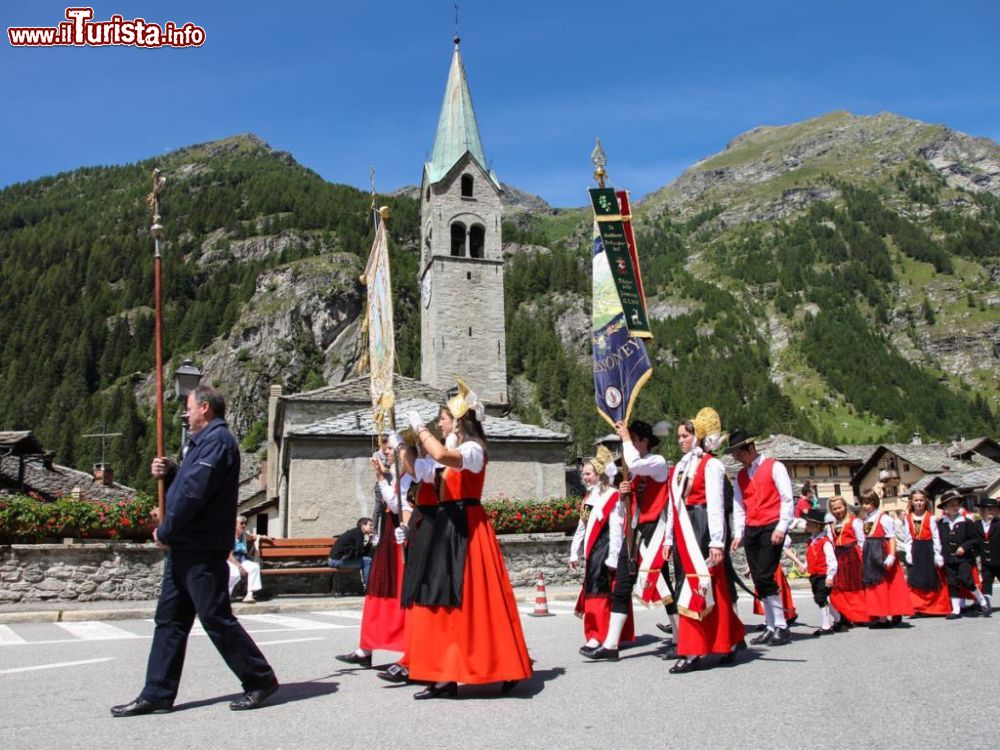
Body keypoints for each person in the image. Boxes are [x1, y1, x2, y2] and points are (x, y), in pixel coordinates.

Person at [111, 385, 278, 717]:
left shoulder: (216, 441)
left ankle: (260, 679)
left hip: (200, 547)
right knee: (169, 620)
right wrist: (170, 471)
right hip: (188, 546)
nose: (185, 415)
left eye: (188, 409)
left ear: (205, 408)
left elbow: (193, 494)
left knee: (215, 617)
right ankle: (157, 693)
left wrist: (166, 530)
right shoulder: (202, 444)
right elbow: (189, 483)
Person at [402, 378, 532, 698]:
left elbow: (443, 456)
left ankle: (501, 664)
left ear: (459, 420)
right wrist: (402, 444)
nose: (440, 421)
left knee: (476, 602)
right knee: (439, 600)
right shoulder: (450, 450)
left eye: (444, 417)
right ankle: (443, 674)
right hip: (447, 526)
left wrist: (420, 428)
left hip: (467, 527)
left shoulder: (473, 450)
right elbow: (418, 469)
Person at [661, 409, 746, 673]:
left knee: (704, 587)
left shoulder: (712, 464)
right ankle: (728, 640)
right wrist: (667, 538)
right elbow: (673, 506)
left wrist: (717, 542)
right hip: (685, 529)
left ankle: (694, 649)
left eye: (685, 435)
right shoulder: (680, 468)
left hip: (704, 527)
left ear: (697, 436)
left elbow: (716, 505)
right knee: (695, 585)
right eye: (678, 436)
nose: (680, 440)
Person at [584, 419, 671, 661]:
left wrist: (624, 437)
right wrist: (625, 494)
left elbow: (634, 463)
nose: (587, 478)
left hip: (651, 531)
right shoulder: (592, 495)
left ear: (643, 441)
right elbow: (586, 523)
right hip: (625, 536)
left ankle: (679, 634)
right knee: (621, 587)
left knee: (661, 584)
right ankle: (609, 643)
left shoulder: (655, 463)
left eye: (589, 474)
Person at [336, 443, 413, 669]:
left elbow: (398, 506)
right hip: (389, 536)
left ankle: (408, 650)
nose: (386, 452)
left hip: (401, 537)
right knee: (378, 591)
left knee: (399, 593)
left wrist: (381, 477)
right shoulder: (397, 475)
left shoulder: (410, 476)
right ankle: (365, 648)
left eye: (390, 448)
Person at [728, 429, 795, 646]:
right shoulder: (740, 476)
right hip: (752, 529)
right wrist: (739, 533)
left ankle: (782, 626)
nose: (736, 457)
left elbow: (787, 498)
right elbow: (739, 506)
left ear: (750, 448)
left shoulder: (775, 467)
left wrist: (781, 527)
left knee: (766, 575)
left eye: (738, 452)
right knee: (758, 578)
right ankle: (770, 625)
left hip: (771, 526)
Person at [569, 445, 633, 652]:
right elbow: (582, 526)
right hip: (593, 551)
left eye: (587, 474)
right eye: (583, 474)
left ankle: (600, 635)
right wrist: (574, 552)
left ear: (598, 474)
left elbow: (616, 528)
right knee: (594, 591)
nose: (584, 478)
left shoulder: (613, 495)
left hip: (605, 550)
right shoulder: (589, 498)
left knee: (601, 592)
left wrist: (614, 556)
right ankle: (595, 634)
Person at [859, 488, 914, 627]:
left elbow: (891, 537)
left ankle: (894, 613)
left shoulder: (884, 518)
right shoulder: (866, 518)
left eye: (868, 502)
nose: (865, 506)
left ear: (875, 502)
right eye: (863, 503)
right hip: (870, 552)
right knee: (876, 585)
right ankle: (881, 615)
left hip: (881, 551)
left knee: (888, 584)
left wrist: (891, 555)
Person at [937, 490, 991, 619]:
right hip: (948, 558)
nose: (955, 507)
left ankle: (982, 601)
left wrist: (964, 547)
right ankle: (956, 610)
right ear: (945, 508)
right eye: (952, 505)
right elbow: (937, 539)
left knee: (966, 580)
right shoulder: (940, 524)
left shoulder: (967, 522)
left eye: (957, 504)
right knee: (952, 582)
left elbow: (975, 539)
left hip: (964, 558)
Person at [898, 490, 950, 617]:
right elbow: (908, 536)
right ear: (911, 502)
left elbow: (936, 537)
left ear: (925, 501)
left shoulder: (931, 517)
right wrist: (909, 552)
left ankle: (935, 607)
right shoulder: (909, 518)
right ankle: (917, 606)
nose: (919, 503)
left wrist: (937, 554)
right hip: (915, 548)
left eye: (921, 500)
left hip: (928, 548)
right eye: (916, 500)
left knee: (930, 578)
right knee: (915, 578)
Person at [827, 496, 867, 625]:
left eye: (840, 507)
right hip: (838, 555)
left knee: (855, 585)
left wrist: (862, 557)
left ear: (845, 506)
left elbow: (861, 541)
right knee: (840, 586)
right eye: (834, 509)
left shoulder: (854, 521)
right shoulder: (832, 524)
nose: (838, 511)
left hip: (852, 555)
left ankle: (860, 615)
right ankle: (845, 614)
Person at [801, 508, 840, 636]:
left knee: (821, 598)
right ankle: (838, 618)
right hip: (815, 575)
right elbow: (811, 556)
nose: (806, 526)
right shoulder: (813, 540)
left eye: (809, 524)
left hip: (823, 574)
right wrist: (805, 565)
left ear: (817, 526)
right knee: (820, 598)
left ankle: (826, 626)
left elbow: (832, 561)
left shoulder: (825, 542)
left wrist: (830, 576)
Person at [226, 515, 271, 603]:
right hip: (231, 560)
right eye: (241, 523)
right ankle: (226, 595)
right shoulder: (230, 536)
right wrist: (239, 567)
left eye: (245, 523)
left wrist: (264, 537)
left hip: (242, 560)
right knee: (235, 573)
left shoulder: (244, 535)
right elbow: (229, 555)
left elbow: (253, 536)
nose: (244, 525)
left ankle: (249, 595)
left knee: (254, 567)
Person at [966, 495, 999, 602]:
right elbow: (973, 541)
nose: (992, 512)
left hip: (998, 559)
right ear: (982, 511)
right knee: (986, 581)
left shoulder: (998, 524)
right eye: (989, 509)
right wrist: (976, 556)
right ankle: (986, 602)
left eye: (994, 509)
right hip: (985, 560)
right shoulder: (976, 525)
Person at [328, 518, 374, 590]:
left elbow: (359, 552)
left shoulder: (356, 532)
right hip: (336, 561)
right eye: (370, 525)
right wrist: (370, 541)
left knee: (366, 559)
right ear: (363, 526)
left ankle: (368, 586)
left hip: (336, 560)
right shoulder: (359, 534)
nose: (372, 527)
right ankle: (370, 588)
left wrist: (370, 541)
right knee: (367, 560)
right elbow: (360, 553)